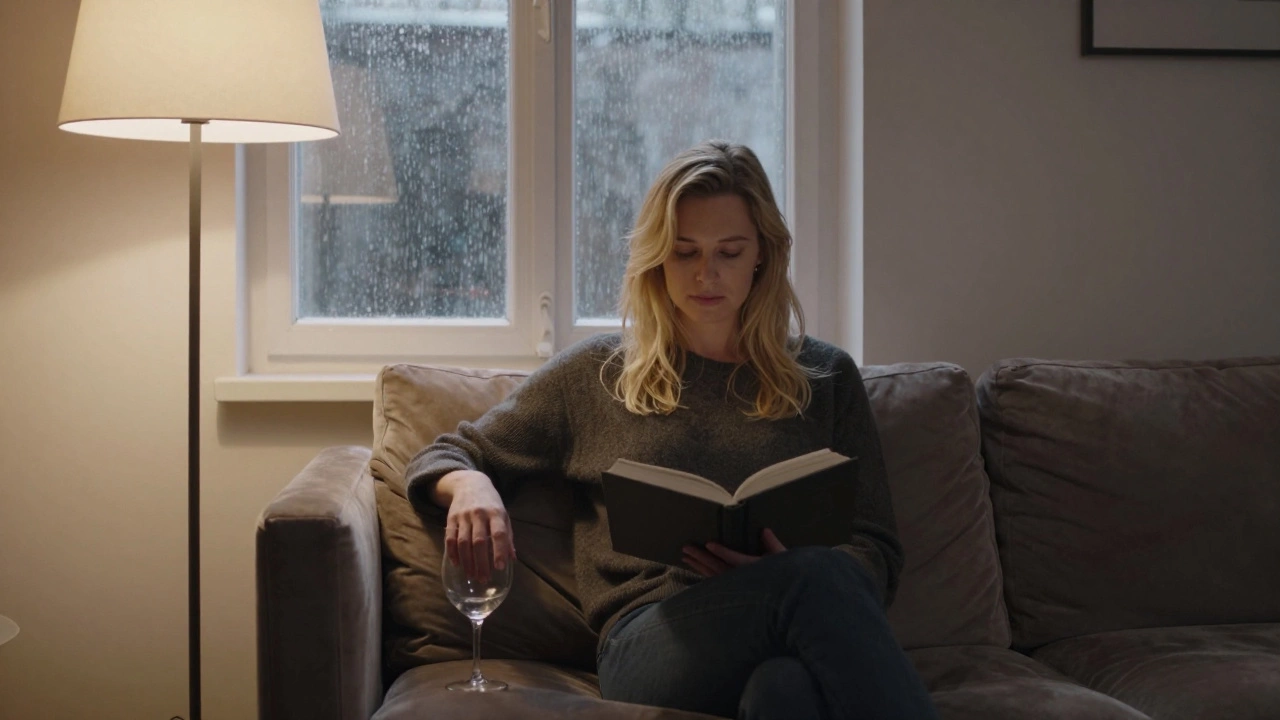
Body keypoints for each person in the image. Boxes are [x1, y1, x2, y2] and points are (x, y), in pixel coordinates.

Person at [405, 140, 938, 720]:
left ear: (762, 254)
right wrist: (471, 485)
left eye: (729, 252)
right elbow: (449, 452)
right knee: (812, 581)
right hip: (649, 643)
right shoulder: (598, 374)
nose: (706, 273)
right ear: (657, 257)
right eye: (684, 252)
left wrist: (776, 572)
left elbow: (876, 548)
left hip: (792, 625)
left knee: (784, 691)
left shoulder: (827, 376)